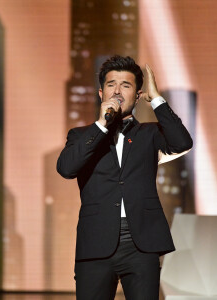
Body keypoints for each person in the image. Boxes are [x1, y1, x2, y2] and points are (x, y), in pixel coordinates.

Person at [56, 55, 193, 300]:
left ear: (138, 95)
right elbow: (66, 169)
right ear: (101, 93)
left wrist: (157, 99)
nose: (117, 91)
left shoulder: (150, 134)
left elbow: (182, 142)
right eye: (111, 84)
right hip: (96, 242)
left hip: (140, 242)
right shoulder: (81, 135)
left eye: (126, 85)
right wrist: (101, 124)